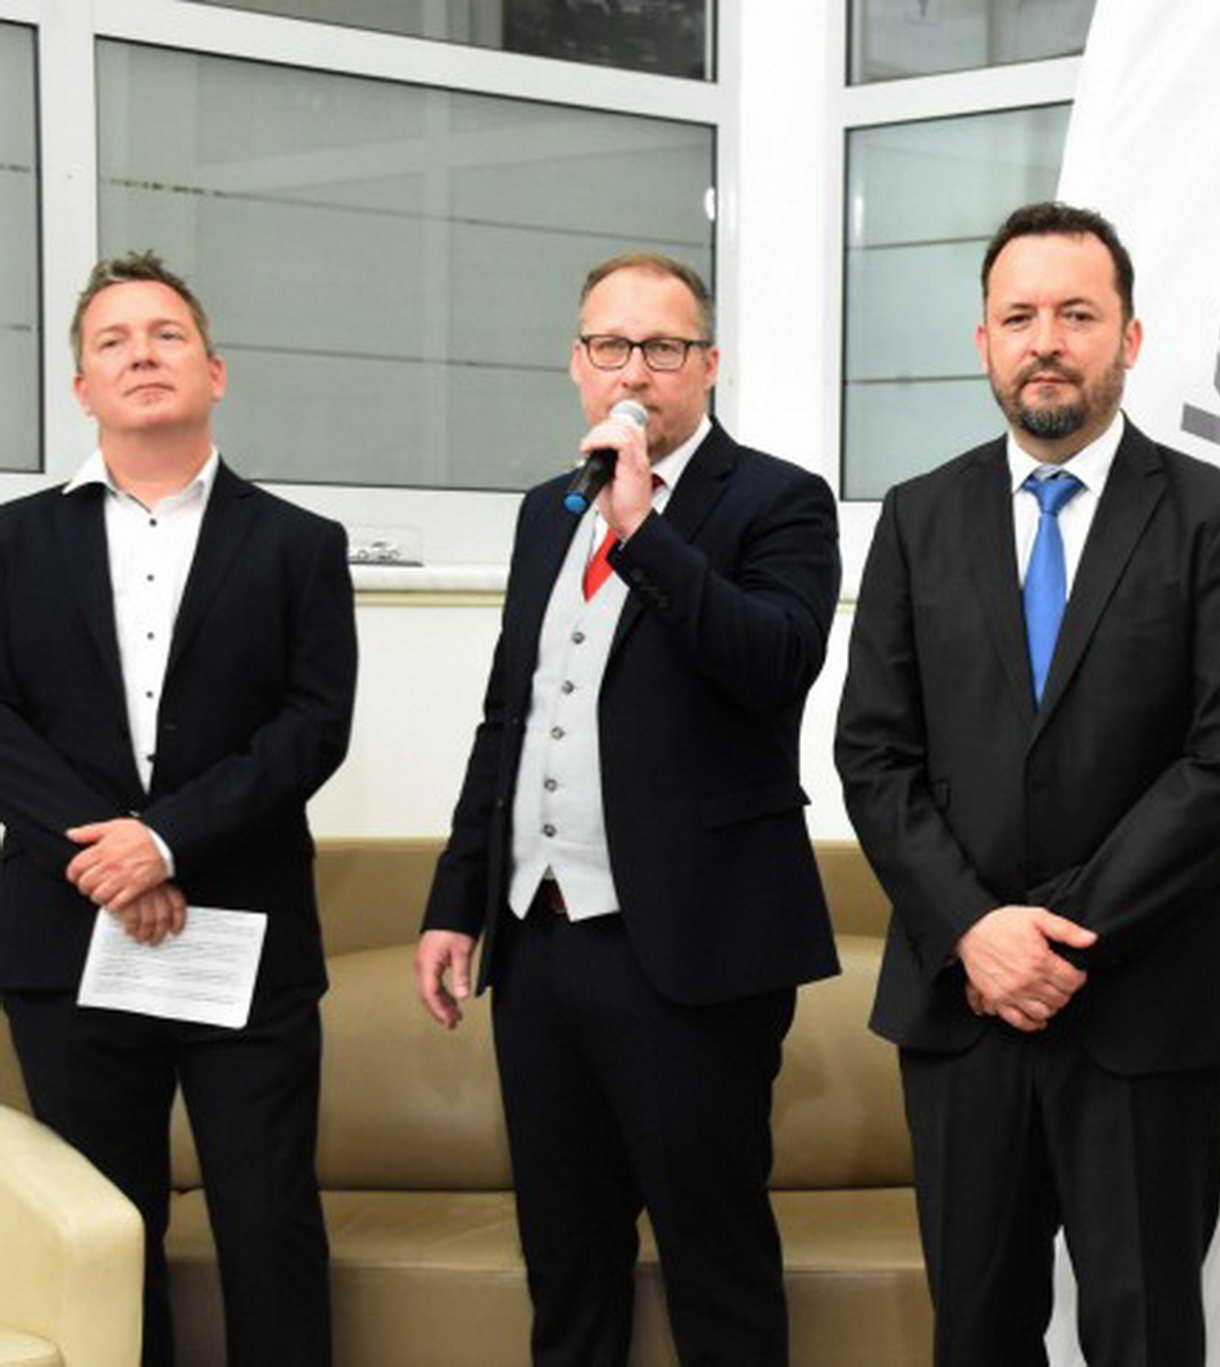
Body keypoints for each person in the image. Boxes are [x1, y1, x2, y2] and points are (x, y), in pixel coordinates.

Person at [835, 201, 1220, 1366]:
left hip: (1143, 1006)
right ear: (981, 340)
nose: (1046, 340)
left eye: (1076, 314)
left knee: (1145, 1334)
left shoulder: (1217, 519)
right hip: (961, 1008)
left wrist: (1054, 937)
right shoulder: (917, 517)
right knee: (976, 1335)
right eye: (1019, 316)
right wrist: (975, 930)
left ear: (1128, 337)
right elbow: (873, 755)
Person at [415, 251, 840, 1366]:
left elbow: (774, 661)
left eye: (663, 346)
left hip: (694, 951)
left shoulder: (778, 500)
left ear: (710, 363)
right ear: (577, 362)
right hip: (540, 943)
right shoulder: (542, 512)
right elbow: (509, 715)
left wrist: (645, 527)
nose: (634, 370)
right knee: (567, 1267)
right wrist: (456, 900)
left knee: (716, 1265)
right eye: (611, 344)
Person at [0, 251, 357, 1365]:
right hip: (68, 937)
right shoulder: (10, 543)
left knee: (268, 1223)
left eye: (165, 334)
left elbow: (313, 725)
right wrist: (111, 860)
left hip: (242, 935)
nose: (141, 354)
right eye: (112, 341)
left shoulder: (299, 543)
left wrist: (165, 841)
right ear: (82, 388)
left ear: (215, 371)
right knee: (104, 1235)